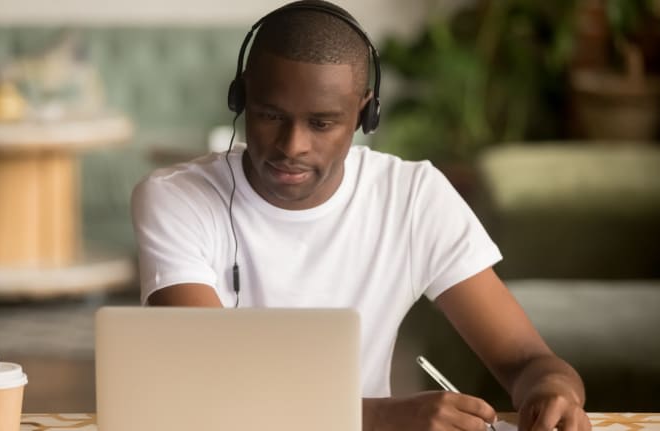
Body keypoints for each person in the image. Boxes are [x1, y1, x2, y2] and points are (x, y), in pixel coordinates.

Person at [131, 1, 591, 431]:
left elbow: (527, 360)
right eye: (271, 115)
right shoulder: (177, 199)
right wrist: (385, 419)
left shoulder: (413, 198)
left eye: (321, 123)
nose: (293, 146)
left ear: (364, 113)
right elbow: (206, 384)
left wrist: (554, 391)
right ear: (241, 98)